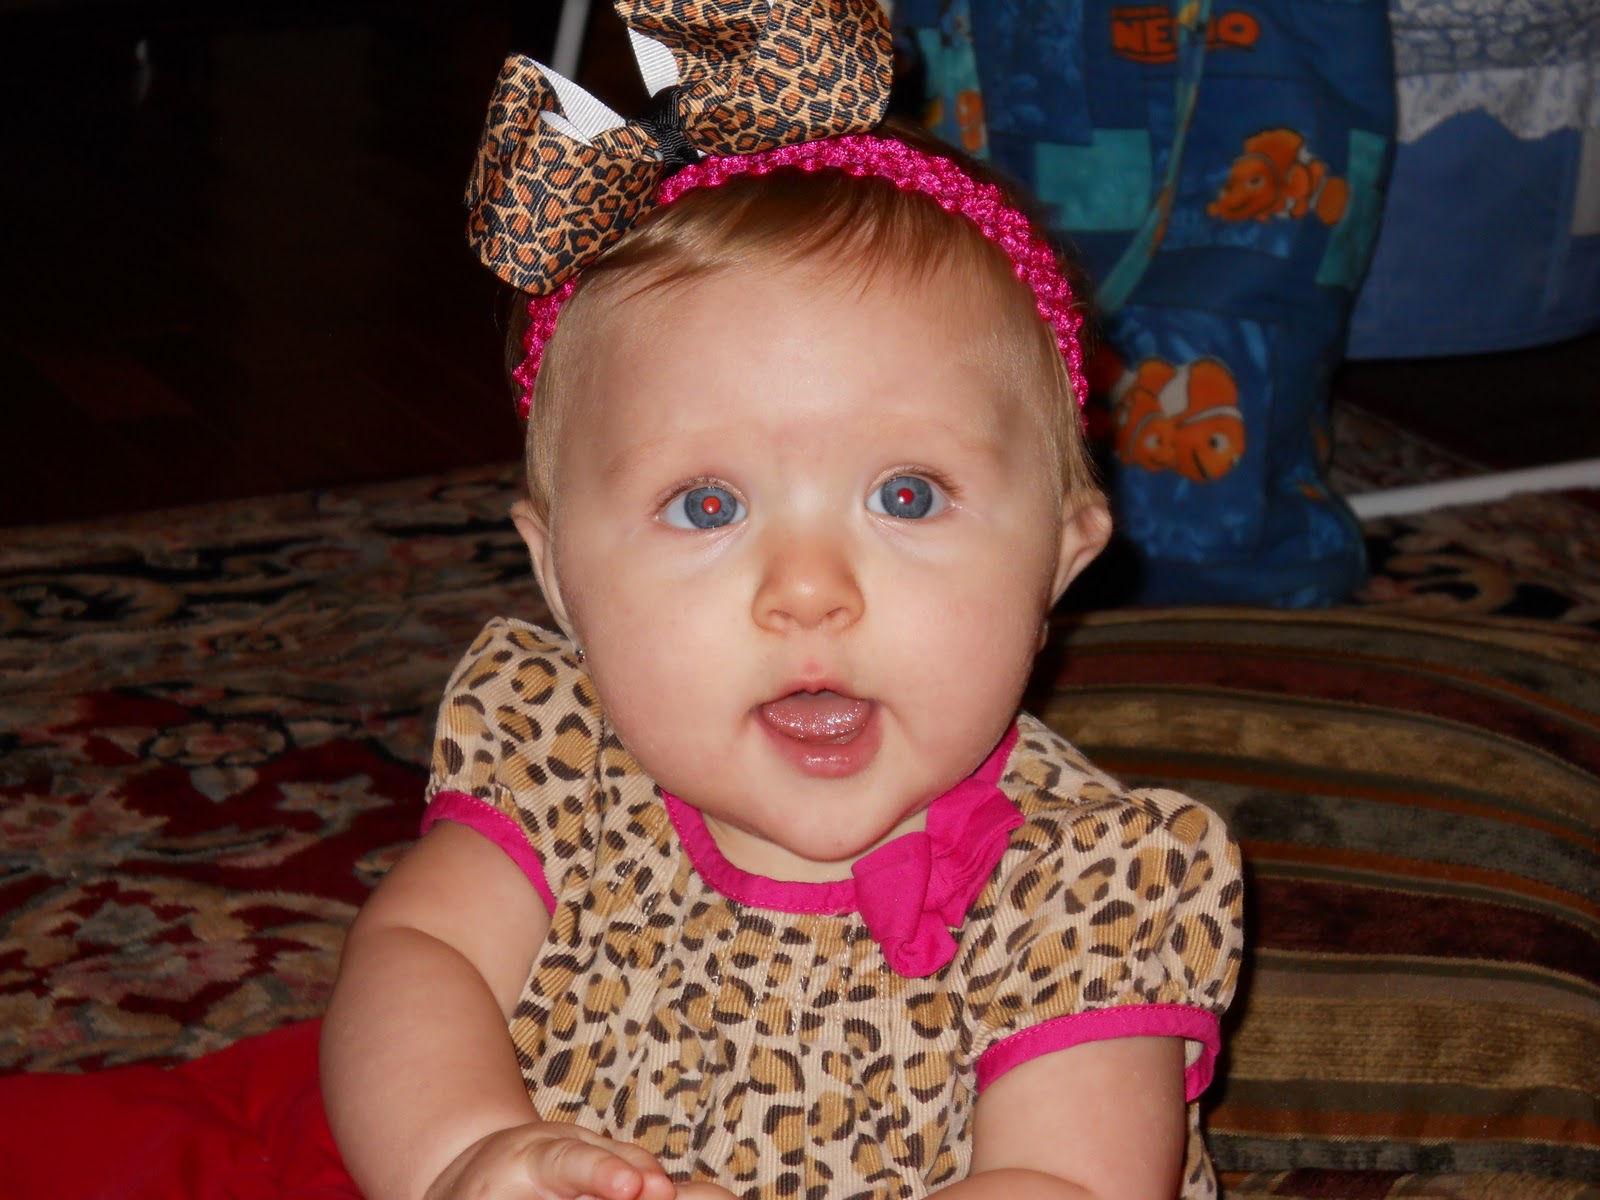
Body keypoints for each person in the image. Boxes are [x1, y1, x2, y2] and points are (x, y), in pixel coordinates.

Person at [317, 3, 1244, 1200]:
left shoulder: (1090, 881)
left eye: (906, 496)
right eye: (707, 506)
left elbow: (1068, 1183)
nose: (808, 591)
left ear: (1062, 557)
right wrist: (466, 1154)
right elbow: (416, 952)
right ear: (560, 578)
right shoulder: (558, 758)